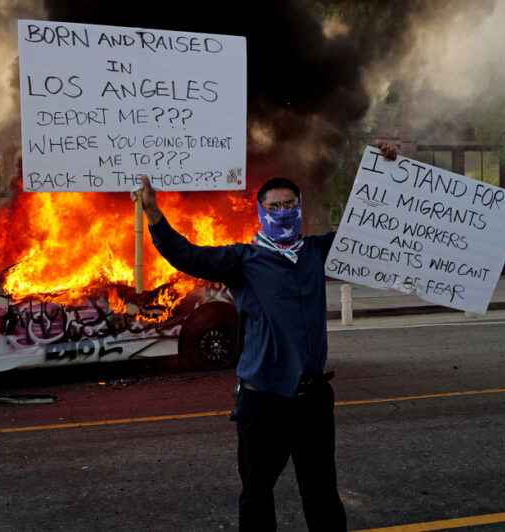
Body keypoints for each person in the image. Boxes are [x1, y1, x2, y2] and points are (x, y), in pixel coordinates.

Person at [137, 142, 402, 531]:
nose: (283, 212)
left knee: (321, 491)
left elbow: (369, 229)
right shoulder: (243, 259)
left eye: (290, 204)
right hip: (264, 400)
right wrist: (155, 216)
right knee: (258, 492)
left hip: (312, 399)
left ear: (300, 206)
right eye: (274, 206)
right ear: (261, 212)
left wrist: (389, 170)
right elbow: (189, 256)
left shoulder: (317, 251)